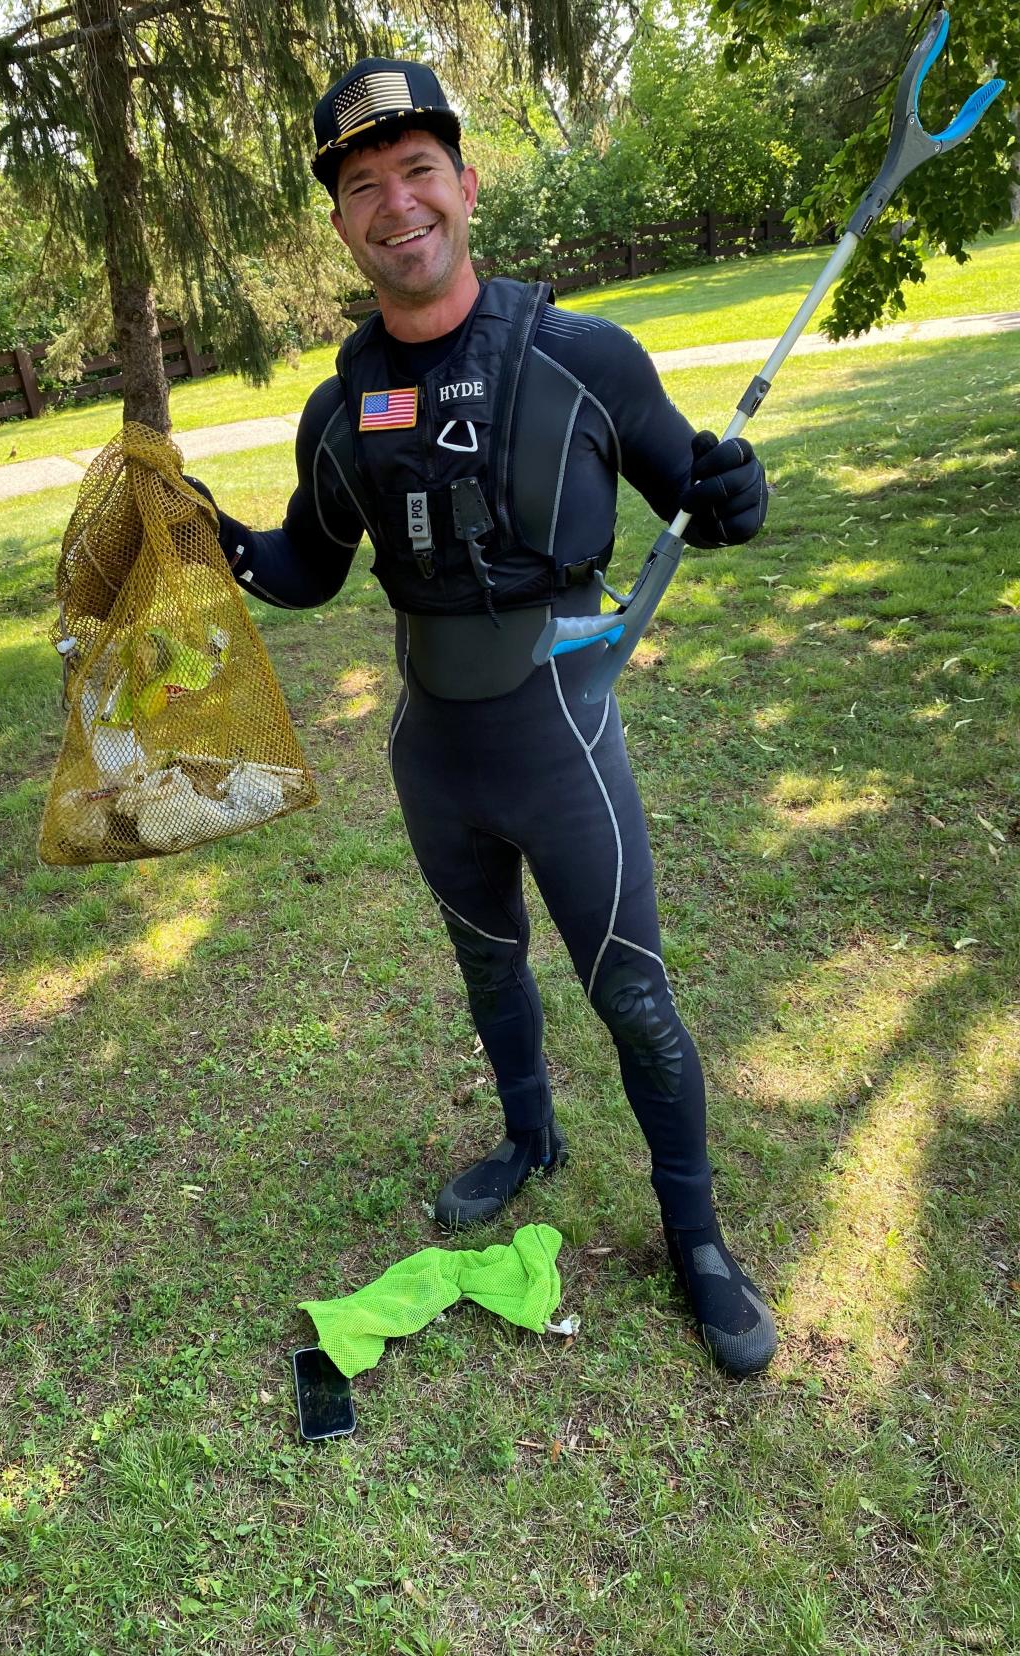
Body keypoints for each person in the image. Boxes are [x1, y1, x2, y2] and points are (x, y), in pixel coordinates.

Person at [188, 59, 777, 1377]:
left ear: (461, 183)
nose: (394, 204)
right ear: (340, 225)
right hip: (432, 757)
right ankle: (527, 1139)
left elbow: (701, 489)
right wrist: (210, 537)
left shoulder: (581, 359)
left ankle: (694, 1240)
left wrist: (740, 495)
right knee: (483, 966)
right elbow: (305, 568)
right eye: (360, 186)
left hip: (559, 743)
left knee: (629, 992)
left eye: (415, 172)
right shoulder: (339, 411)